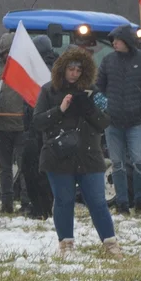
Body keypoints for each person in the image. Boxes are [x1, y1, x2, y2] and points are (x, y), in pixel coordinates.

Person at [32, 46, 121, 256]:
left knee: (98, 202)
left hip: (89, 155)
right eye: (70, 69)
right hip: (58, 155)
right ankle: (66, 244)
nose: (74, 73)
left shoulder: (94, 92)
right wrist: (60, 110)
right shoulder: (48, 90)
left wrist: (89, 109)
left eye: (78, 70)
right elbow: (36, 122)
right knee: (63, 201)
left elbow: (105, 121)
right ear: (62, 69)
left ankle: (111, 244)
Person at [96, 24, 141, 215]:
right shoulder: (108, 61)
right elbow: (99, 87)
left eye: (117, 39)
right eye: (113, 40)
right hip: (112, 122)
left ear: (126, 40)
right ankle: (122, 204)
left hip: (135, 122)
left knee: (139, 161)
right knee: (117, 163)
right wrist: (105, 107)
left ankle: (140, 202)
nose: (114, 43)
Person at [18, 35, 58, 219]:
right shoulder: (36, 68)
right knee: (29, 166)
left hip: (44, 127)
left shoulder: (50, 71)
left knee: (38, 170)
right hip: (32, 126)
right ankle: (38, 206)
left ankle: (43, 207)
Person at [0, 31, 28, 214]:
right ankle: (6, 203)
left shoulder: (24, 70)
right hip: (1, 125)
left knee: (23, 167)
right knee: (4, 168)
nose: (9, 55)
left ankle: (25, 202)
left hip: (21, 125)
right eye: (7, 52)